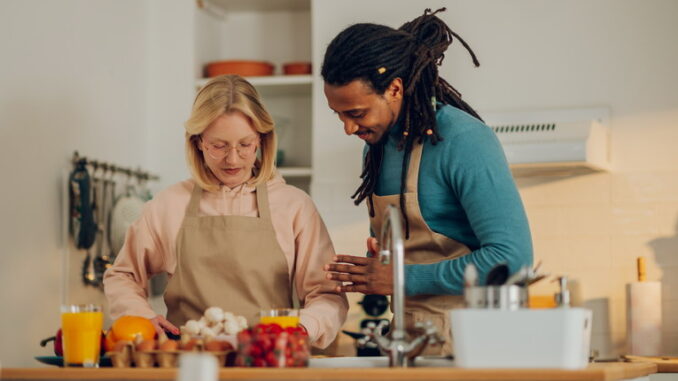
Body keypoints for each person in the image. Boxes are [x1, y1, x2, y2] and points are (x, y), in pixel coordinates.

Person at [321, 8, 533, 354]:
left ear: (394, 88)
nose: (347, 127)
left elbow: (512, 259)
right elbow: (404, 256)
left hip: (476, 346)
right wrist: (375, 265)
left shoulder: (464, 140)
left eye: (356, 113)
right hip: (409, 339)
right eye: (339, 114)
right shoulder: (376, 148)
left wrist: (402, 278)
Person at [104, 75, 348, 349]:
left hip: (269, 362)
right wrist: (143, 317)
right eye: (218, 145)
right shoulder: (169, 204)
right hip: (189, 365)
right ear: (198, 141)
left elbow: (327, 294)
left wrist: (305, 327)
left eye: (245, 145)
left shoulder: (294, 206)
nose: (232, 159)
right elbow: (123, 275)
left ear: (262, 140)